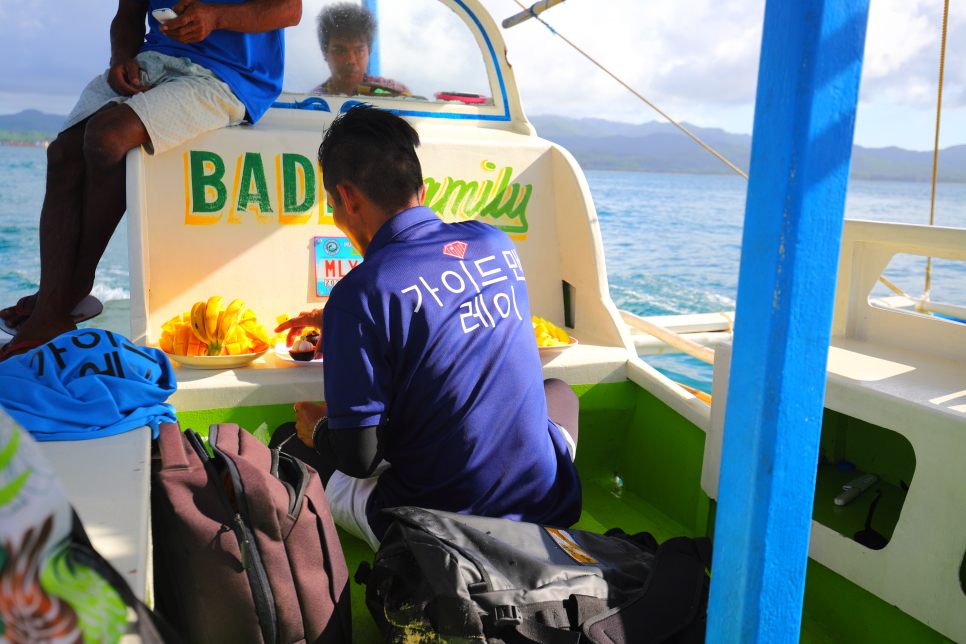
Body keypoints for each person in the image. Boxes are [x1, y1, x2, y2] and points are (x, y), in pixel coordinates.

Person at [269, 105, 582, 551]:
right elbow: (440, 313)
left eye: (334, 206)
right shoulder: (495, 241)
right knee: (560, 392)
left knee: (288, 440)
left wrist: (318, 429)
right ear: (419, 187)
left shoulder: (359, 294)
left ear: (348, 197)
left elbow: (360, 459)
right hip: (547, 505)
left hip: (442, 533)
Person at [0, 0, 301, 361]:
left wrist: (217, 16)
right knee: (61, 153)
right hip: (155, 61)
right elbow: (128, 15)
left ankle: (62, 299)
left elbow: (289, 9)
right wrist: (120, 57)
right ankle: (58, 296)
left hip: (229, 75)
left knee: (106, 137)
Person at [309, 2, 411, 97]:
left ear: (369, 52)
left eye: (359, 51)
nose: (351, 60)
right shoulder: (312, 102)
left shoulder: (393, 93)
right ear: (325, 53)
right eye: (340, 51)